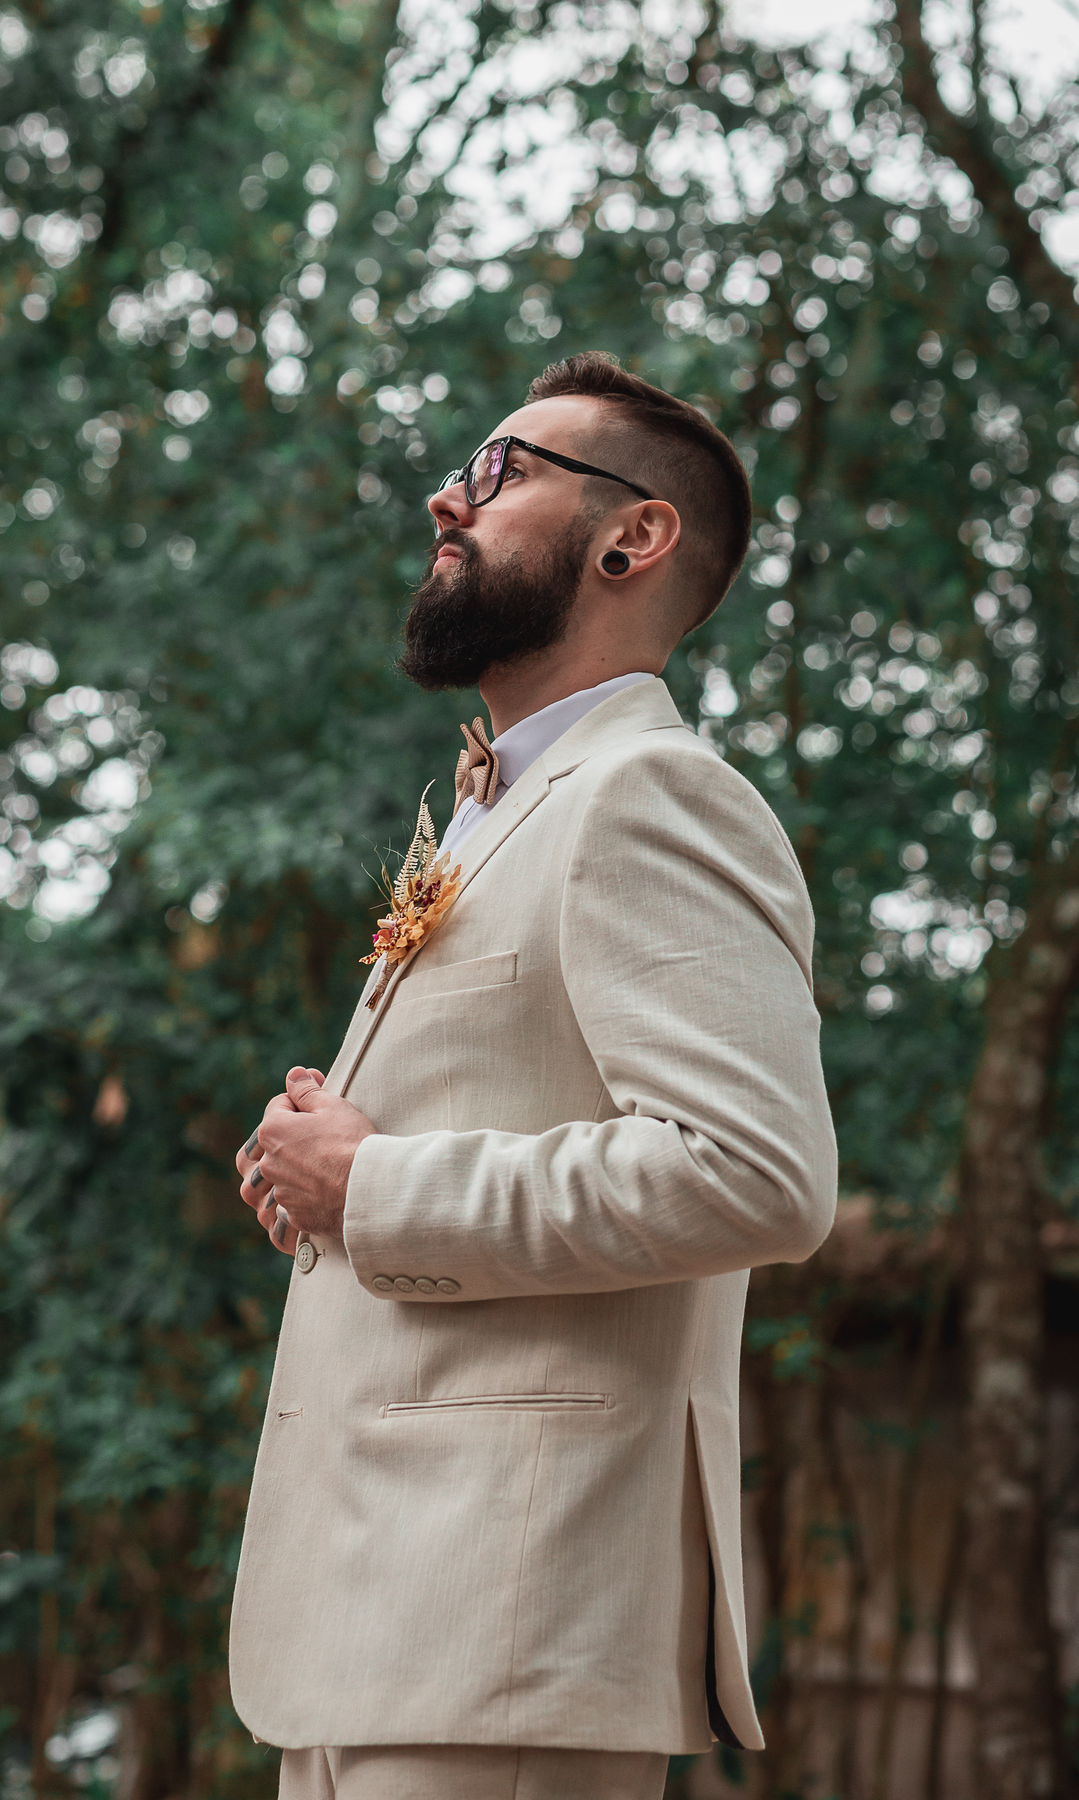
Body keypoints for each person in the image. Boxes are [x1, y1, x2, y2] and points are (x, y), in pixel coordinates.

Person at [228, 352, 837, 1800]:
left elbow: (755, 1174)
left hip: (509, 1619)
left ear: (634, 536)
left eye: (501, 471)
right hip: (376, 1615)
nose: (449, 495)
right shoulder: (496, 812)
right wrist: (322, 1177)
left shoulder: (655, 794)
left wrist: (376, 1184)